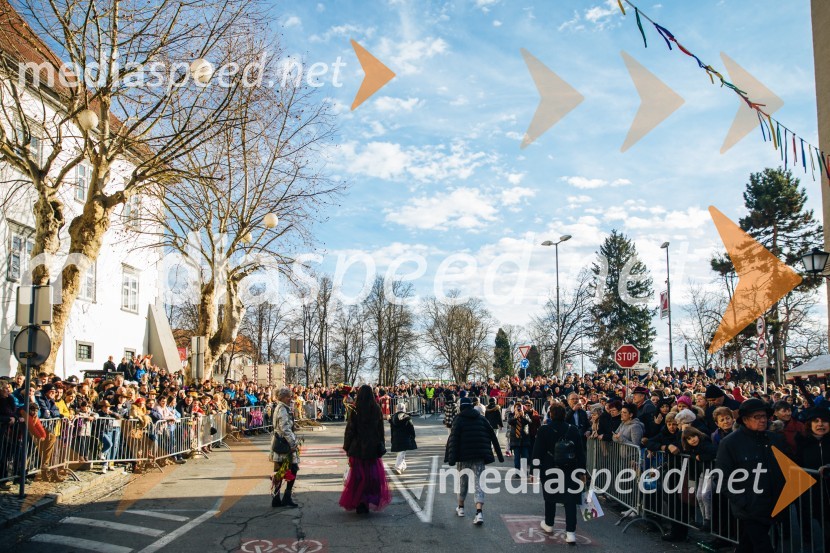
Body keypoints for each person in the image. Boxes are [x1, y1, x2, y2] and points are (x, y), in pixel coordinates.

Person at [715, 398, 785, 553]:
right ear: (745, 420)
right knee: (763, 546)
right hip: (749, 508)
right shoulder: (730, 443)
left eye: (764, 416)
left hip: (772, 504)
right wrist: (742, 501)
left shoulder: (775, 439)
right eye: (757, 417)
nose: (762, 420)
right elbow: (721, 476)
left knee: (747, 545)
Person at [444, 396, 504, 526]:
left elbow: (452, 439)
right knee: (479, 483)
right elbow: (493, 436)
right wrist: (500, 455)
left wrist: (450, 458)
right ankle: (479, 512)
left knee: (462, 483)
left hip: (463, 457)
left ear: (461, 407)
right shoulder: (481, 419)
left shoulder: (458, 419)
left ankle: (461, 508)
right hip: (479, 456)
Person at [532, 402, 585, 545]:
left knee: (550, 497)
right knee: (570, 501)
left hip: (549, 468)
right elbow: (580, 452)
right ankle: (571, 533)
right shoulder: (572, 429)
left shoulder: (544, 430)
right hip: (570, 469)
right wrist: (582, 471)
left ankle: (549, 524)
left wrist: (534, 471)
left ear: (551, 414)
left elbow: (537, 451)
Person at [340, 385, 391, 514]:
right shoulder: (376, 409)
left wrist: (347, 446)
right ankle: (367, 501)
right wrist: (381, 444)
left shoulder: (355, 409)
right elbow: (380, 430)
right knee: (371, 477)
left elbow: (350, 430)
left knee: (358, 477)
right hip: (372, 447)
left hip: (358, 447)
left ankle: (359, 502)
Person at [795, 405, 830, 553]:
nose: (820, 424)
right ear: (810, 424)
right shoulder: (802, 444)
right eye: (816, 421)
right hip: (817, 498)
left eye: (824, 421)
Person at [270, 387, 300, 508]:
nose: (290, 398)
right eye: (288, 396)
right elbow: (285, 428)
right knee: (291, 469)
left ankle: (276, 498)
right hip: (284, 444)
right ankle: (285, 497)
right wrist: (293, 444)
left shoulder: (282, 408)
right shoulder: (282, 409)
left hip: (280, 442)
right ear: (282, 397)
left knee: (280, 471)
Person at [389, 402, 417, 474]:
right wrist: (413, 435)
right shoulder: (407, 417)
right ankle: (398, 467)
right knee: (402, 452)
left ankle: (403, 466)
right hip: (405, 437)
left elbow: (392, 428)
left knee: (401, 452)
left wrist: (392, 437)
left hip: (396, 436)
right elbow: (411, 427)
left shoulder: (393, 417)